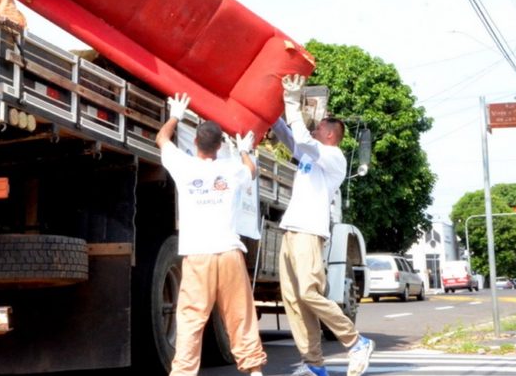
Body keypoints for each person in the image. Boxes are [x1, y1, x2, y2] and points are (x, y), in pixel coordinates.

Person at [156, 93, 267, 376]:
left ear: (195, 142)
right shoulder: (231, 170)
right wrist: (243, 149)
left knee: (192, 317)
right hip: (229, 253)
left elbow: (162, 140)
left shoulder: (184, 166)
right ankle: (254, 370)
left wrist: (176, 115)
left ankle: (183, 373)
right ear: (219, 147)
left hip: (198, 255)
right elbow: (251, 170)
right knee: (240, 314)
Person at [271, 74, 374, 376]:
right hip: (291, 230)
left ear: (331, 135)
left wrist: (292, 100)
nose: (315, 127)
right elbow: (292, 139)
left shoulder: (334, 157)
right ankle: (313, 364)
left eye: (321, 126)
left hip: (309, 232)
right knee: (293, 300)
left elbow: (301, 137)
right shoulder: (311, 155)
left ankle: (356, 341)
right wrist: (273, 114)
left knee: (309, 293)